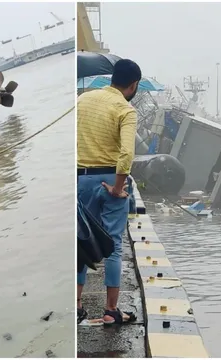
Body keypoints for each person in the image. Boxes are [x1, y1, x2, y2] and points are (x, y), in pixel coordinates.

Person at [76, 59, 142, 325]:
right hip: (110, 180)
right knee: (113, 246)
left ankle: (77, 304)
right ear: (133, 84)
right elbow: (126, 153)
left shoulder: (83, 99)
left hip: (83, 179)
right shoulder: (125, 110)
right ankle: (111, 310)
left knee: (81, 243)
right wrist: (117, 187)